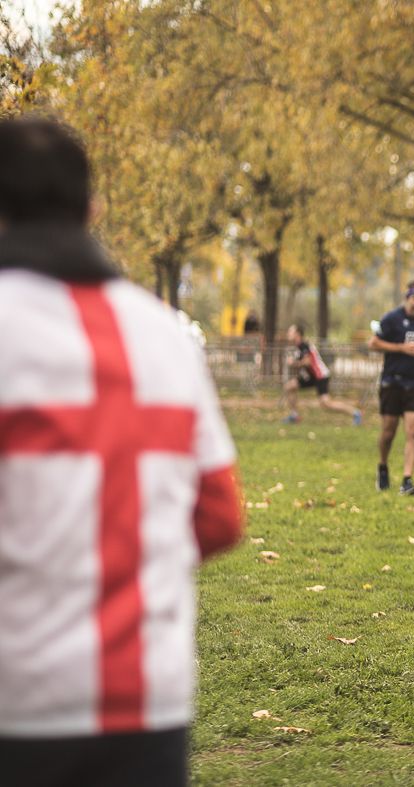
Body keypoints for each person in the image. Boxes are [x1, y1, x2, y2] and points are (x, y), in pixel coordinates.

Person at [0, 116, 243, 786]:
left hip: (17, 701)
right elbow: (220, 516)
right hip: (149, 700)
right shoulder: (164, 333)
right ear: (92, 209)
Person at [369, 279, 414, 495]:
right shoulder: (392, 318)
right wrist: (400, 348)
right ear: (407, 298)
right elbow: (373, 343)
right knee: (388, 432)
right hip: (393, 381)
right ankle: (383, 466)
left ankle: (407, 480)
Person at [282, 324, 361, 425]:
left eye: (290, 331)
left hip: (320, 375)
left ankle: (355, 413)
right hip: (311, 376)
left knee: (326, 403)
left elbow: (307, 362)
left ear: (297, 334)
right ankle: (294, 416)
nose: (288, 333)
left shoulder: (303, 345)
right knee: (289, 387)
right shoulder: (299, 346)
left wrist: (293, 363)